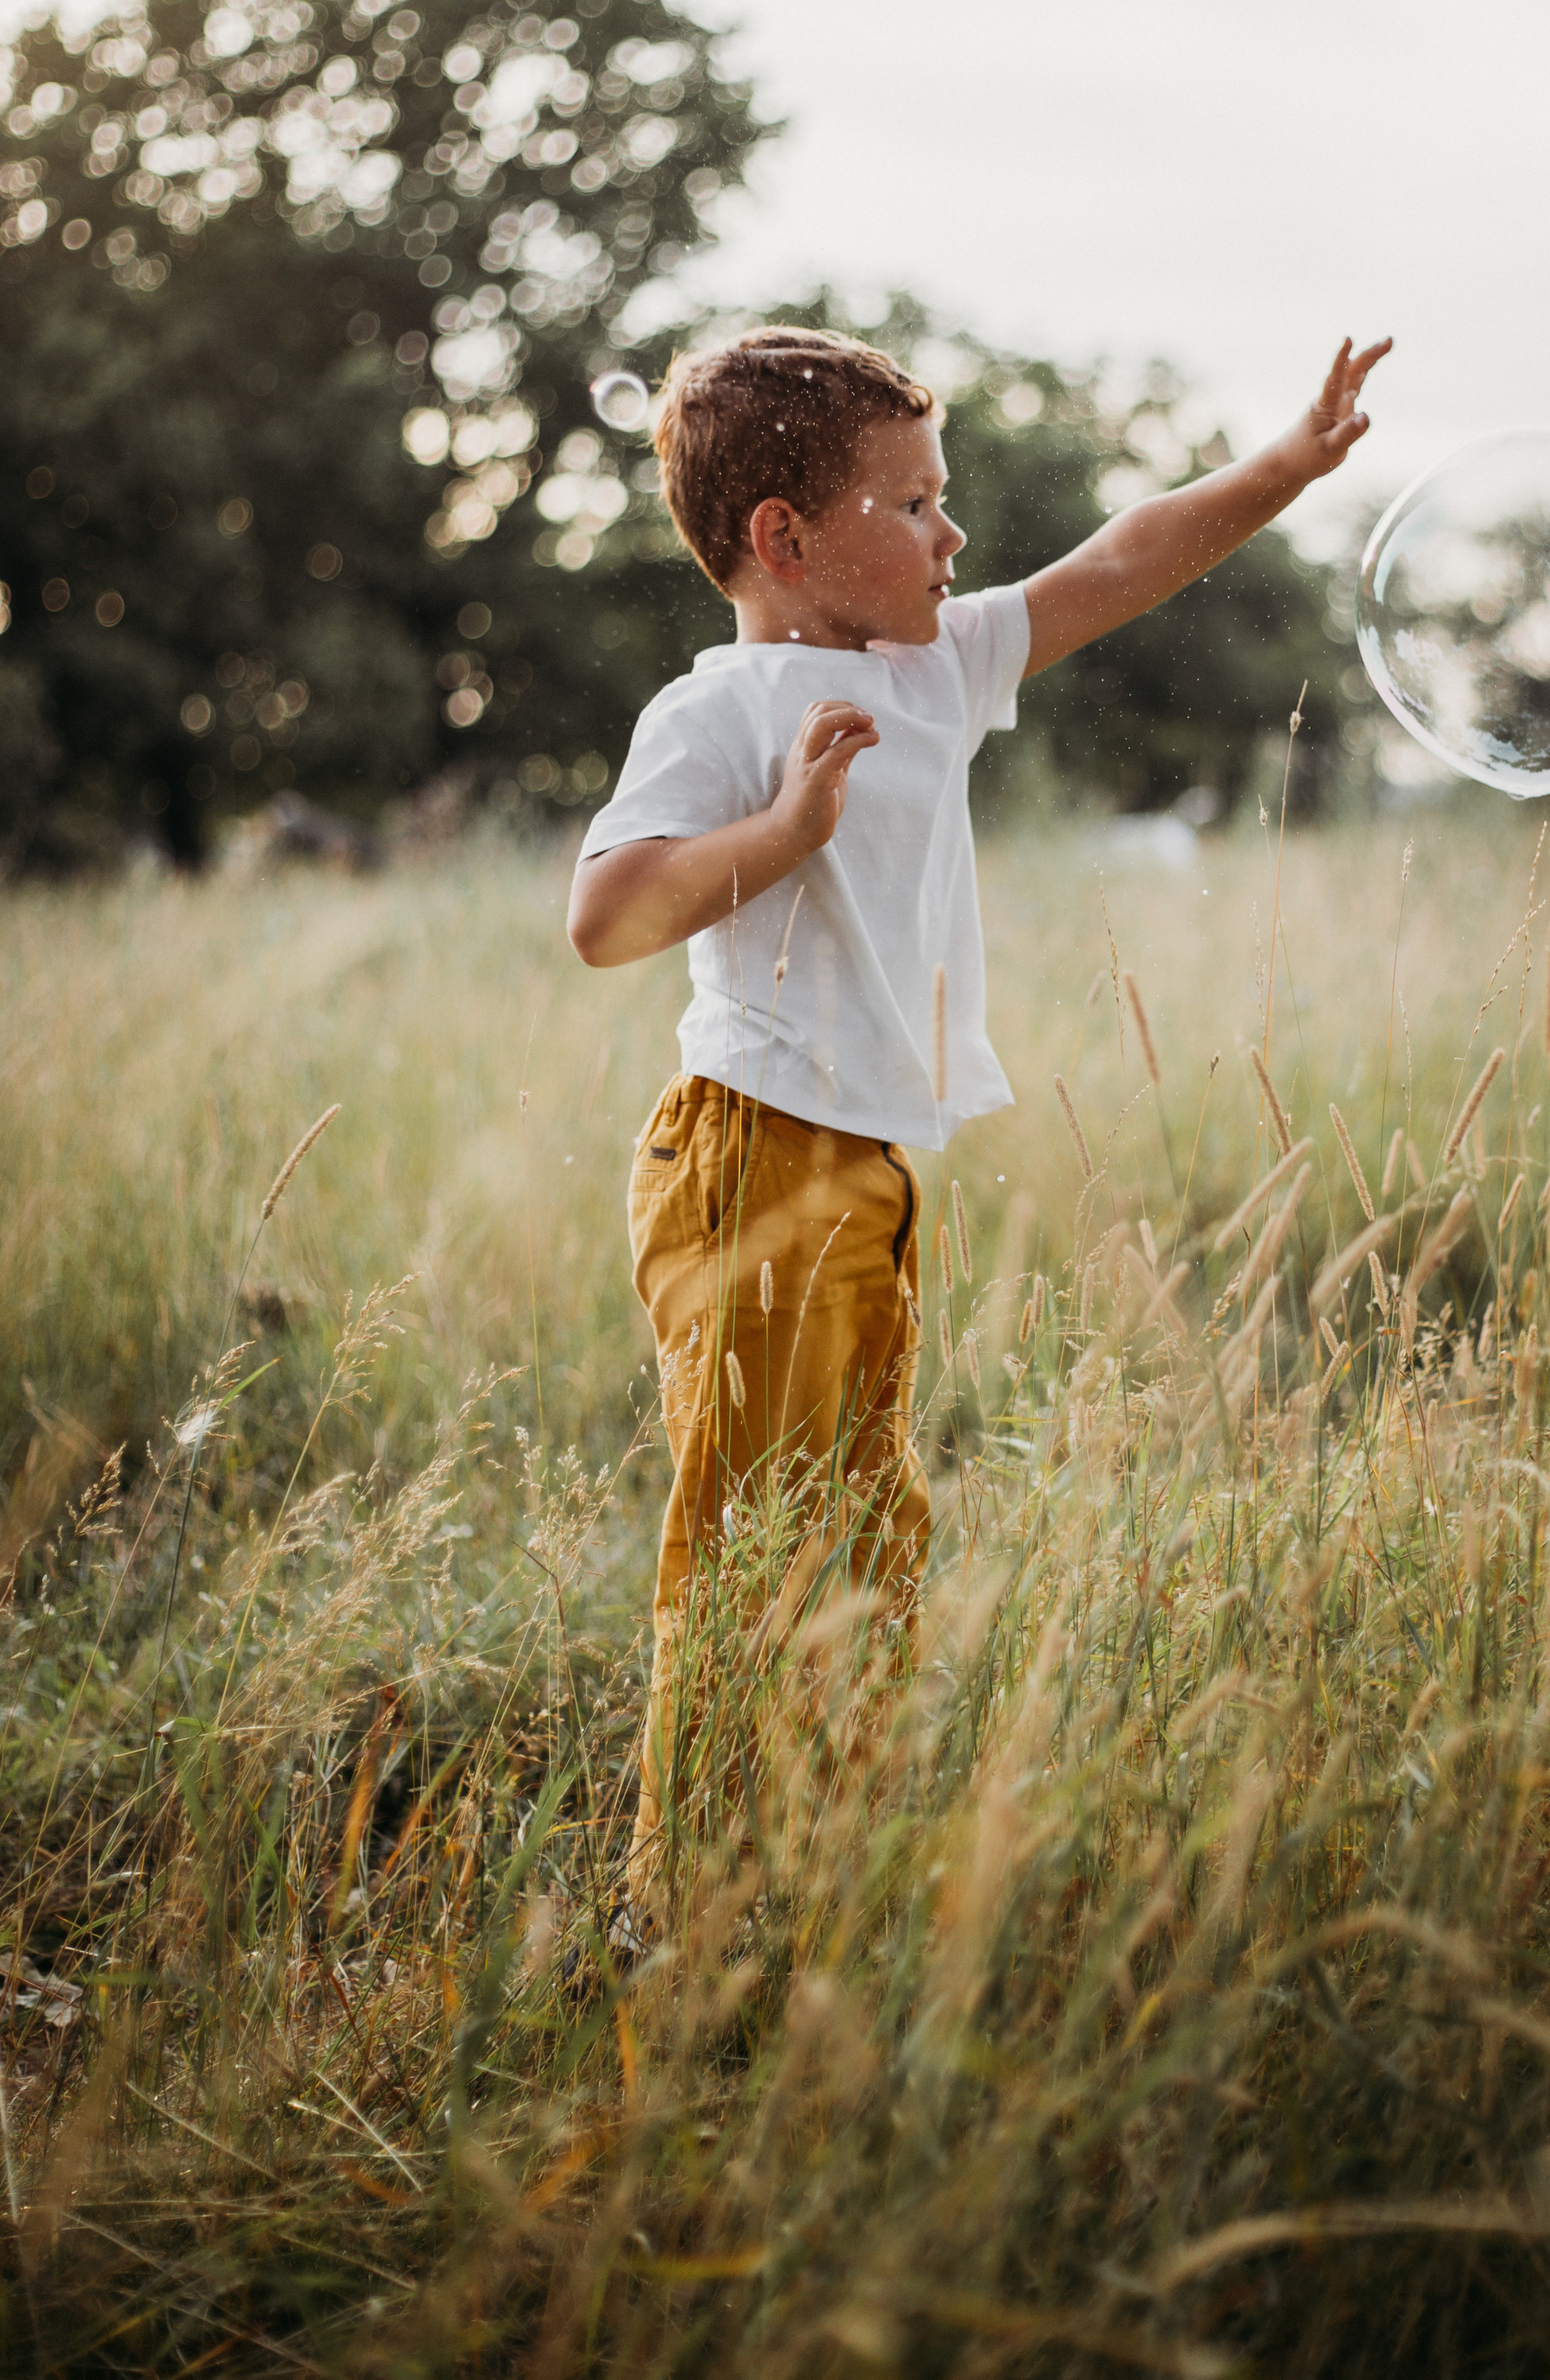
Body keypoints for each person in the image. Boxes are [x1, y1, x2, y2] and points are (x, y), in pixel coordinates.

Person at [567, 321, 1391, 1913]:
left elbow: (1124, 559)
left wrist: (1284, 465)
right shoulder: (720, 708)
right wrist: (784, 825)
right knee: (747, 1543)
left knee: (864, 1537)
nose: (952, 535)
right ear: (784, 539)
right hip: (747, 1157)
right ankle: (687, 1915)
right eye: (913, 503)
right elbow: (605, 919)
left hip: (866, 1169)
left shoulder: (934, 667)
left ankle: (827, 1867)